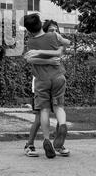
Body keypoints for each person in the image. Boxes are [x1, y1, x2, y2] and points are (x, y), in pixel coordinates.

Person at [23, 15, 71, 158]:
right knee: (59, 107)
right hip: (58, 77)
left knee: (43, 111)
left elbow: (30, 59)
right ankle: (62, 125)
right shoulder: (54, 37)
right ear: (41, 24)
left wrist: (41, 54)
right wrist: (52, 60)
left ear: (28, 29)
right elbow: (65, 44)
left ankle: (46, 140)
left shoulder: (31, 42)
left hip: (42, 80)